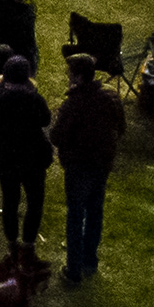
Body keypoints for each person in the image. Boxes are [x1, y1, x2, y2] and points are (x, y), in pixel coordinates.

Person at [0, 52, 55, 254]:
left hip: (7, 157)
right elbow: (45, 120)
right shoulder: (34, 99)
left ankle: (12, 242)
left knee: (10, 201)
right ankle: (29, 243)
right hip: (33, 157)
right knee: (35, 201)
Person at [52, 54, 125, 283]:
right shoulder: (110, 96)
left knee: (75, 216)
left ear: (78, 75)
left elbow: (56, 135)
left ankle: (73, 271)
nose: (67, 76)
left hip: (78, 164)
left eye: (70, 72)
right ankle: (90, 260)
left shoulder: (74, 103)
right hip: (102, 163)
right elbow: (121, 127)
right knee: (95, 211)